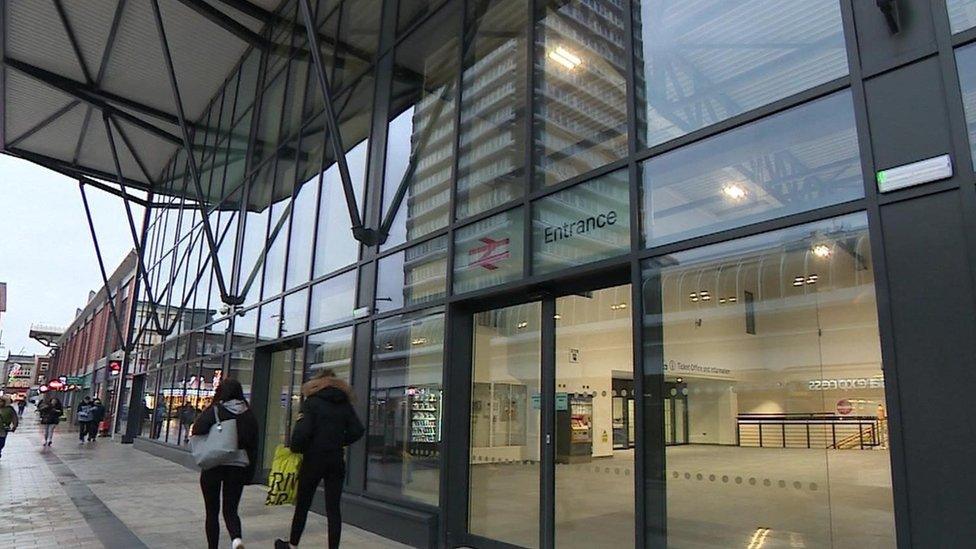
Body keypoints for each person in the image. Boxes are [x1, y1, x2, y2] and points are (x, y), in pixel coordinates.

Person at [275, 369, 364, 549]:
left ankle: (292, 545)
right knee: (333, 509)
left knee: (303, 505)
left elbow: (302, 433)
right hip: (336, 460)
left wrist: (296, 447)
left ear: (318, 382)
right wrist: (339, 441)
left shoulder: (312, 402)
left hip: (313, 460)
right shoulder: (344, 404)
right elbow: (357, 430)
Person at [190, 379, 258, 549]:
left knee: (212, 512)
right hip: (238, 467)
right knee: (231, 509)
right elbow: (254, 446)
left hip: (214, 463)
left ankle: (212, 547)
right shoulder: (249, 414)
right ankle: (236, 540)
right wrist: (249, 474)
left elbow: (197, 428)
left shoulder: (215, 410)